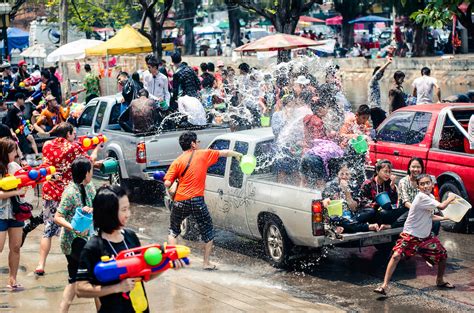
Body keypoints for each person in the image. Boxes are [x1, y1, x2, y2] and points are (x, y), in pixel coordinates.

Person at [76, 185, 183, 312]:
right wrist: (117, 287)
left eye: (128, 209)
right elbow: (80, 289)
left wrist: (167, 264)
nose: (128, 214)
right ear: (109, 212)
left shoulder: (130, 237)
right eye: (124, 210)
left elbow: (145, 275)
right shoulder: (93, 247)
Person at [164, 131, 242, 270]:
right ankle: (206, 263)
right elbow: (224, 153)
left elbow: (167, 183)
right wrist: (237, 154)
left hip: (180, 201)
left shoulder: (177, 162)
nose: (199, 144)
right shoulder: (204, 154)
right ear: (193, 144)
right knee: (208, 231)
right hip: (197, 201)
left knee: (173, 231)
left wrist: (174, 187)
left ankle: (173, 261)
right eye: (197, 141)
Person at [33, 123, 100, 276]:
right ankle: (76, 261)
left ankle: (41, 265)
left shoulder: (47, 145)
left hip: (50, 190)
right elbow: (88, 163)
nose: (75, 136)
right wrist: (97, 147)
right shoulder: (72, 147)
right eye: (73, 133)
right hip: (68, 193)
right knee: (76, 228)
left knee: (48, 229)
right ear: (68, 133)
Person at [374, 174, 457, 296]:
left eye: (427, 183)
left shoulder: (430, 197)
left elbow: (430, 216)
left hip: (425, 237)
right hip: (411, 235)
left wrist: (445, 217)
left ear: (431, 184)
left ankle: (440, 280)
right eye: (422, 184)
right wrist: (451, 197)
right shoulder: (422, 197)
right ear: (418, 187)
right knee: (396, 256)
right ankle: (384, 286)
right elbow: (442, 206)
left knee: (443, 256)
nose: (425, 186)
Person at [54, 157, 96, 313]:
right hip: (73, 241)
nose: (92, 172)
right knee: (95, 276)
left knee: (74, 280)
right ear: (86, 173)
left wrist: (92, 209)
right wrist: (73, 228)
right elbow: (58, 217)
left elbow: (96, 203)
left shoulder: (90, 186)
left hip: (86, 238)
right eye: (91, 170)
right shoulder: (70, 192)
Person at [0, 138, 29, 291]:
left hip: (15, 212)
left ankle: (13, 279)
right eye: (12, 151)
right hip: (0, 213)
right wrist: (16, 191)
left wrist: (23, 191)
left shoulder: (15, 166)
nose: (15, 154)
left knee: (16, 247)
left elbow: (26, 182)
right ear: (5, 151)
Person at [323, 163, 379, 233]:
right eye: (341, 174)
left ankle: (346, 226)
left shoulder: (354, 186)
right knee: (337, 219)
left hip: (352, 216)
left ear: (350, 176)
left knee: (370, 211)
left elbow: (353, 208)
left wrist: (346, 191)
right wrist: (326, 201)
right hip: (337, 216)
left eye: (347, 174)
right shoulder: (332, 186)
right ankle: (364, 227)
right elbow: (325, 201)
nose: (344, 176)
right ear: (337, 174)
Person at [398, 157, 441, 235]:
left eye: (418, 167)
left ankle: (429, 241)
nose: (416, 169)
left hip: (423, 210)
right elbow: (405, 202)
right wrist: (417, 211)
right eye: (413, 167)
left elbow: (430, 199)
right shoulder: (403, 181)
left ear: (422, 168)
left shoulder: (424, 181)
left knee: (436, 223)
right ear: (409, 168)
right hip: (407, 210)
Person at [360, 160, 406, 231]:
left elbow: (393, 202)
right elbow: (362, 202)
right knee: (379, 212)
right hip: (373, 214)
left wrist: (392, 187)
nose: (388, 174)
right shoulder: (368, 184)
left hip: (385, 214)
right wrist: (376, 203)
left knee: (406, 210)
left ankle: (390, 225)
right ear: (378, 171)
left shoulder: (388, 183)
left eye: (389, 172)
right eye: (385, 171)